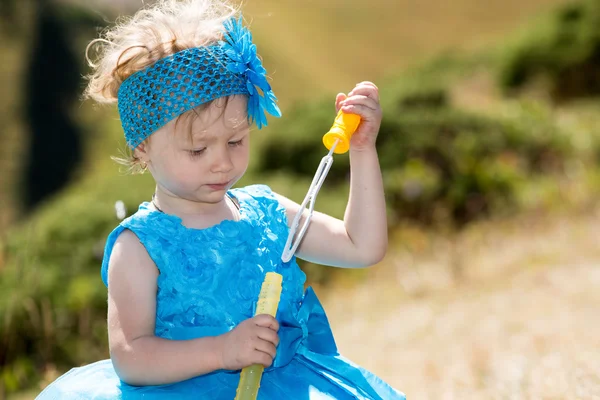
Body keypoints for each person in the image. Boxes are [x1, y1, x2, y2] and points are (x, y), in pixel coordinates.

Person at [37, 0, 406, 398]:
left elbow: (362, 246)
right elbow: (131, 356)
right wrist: (222, 350)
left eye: (236, 140)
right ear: (142, 146)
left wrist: (363, 150)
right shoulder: (139, 247)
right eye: (198, 150)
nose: (222, 163)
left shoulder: (269, 214)